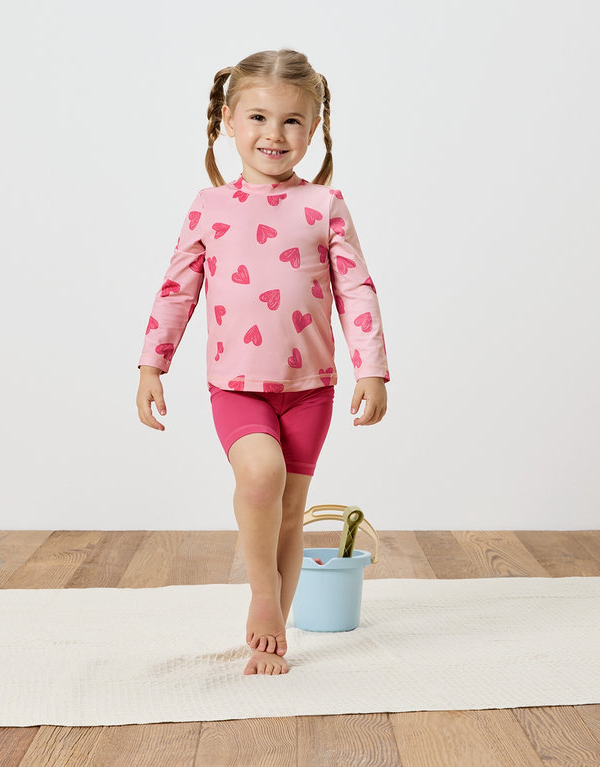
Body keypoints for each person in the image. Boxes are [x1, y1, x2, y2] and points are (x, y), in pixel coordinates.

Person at [136, 49, 389, 676]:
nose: (274, 135)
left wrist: (373, 368)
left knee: (292, 510)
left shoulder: (324, 205)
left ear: (314, 126)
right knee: (259, 479)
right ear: (228, 120)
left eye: (292, 122)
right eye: (257, 117)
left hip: (311, 388)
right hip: (237, 385)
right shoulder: (210, 206)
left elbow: (356, 289)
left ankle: (271, 629)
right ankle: (263, 596)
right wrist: (152, 364)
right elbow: (177, 290)